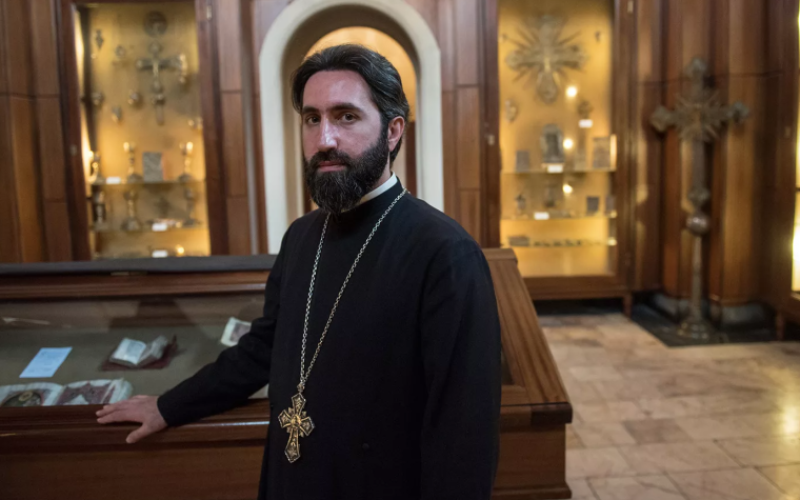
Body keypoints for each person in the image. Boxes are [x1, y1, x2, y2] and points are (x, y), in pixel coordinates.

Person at [97, 44, 501, 500]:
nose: (324, 139)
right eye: (312, 118)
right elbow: (264, 349)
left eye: (346, 116)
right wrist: (169, 405)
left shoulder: (445, 253)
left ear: (392, 131)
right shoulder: (303, 236)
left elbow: (464, 434)